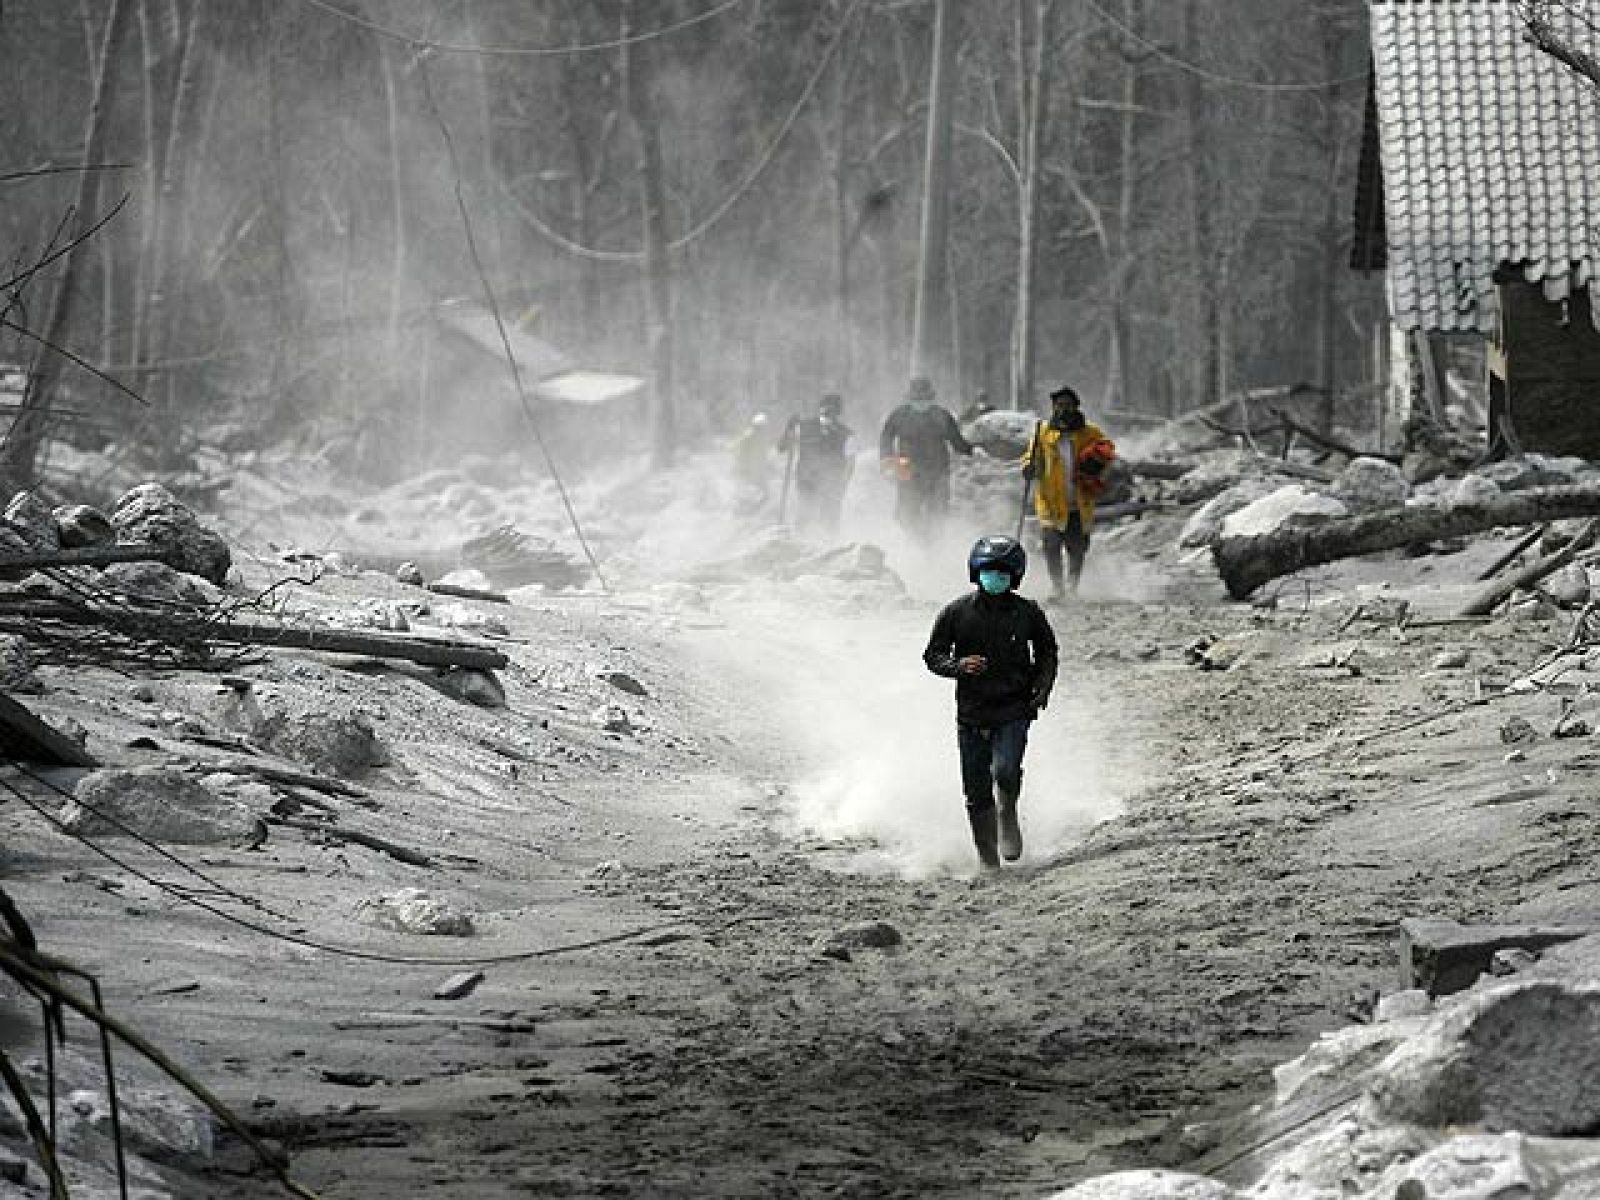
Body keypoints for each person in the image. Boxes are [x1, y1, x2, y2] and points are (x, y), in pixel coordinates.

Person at [922, 535, 1058, 868]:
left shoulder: (1028, 612)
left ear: (1015, 576)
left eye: (1003, 572)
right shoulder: (956, 612)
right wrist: (959, 666)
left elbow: (1047, 652)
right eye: (989, 570)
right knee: (975, 787)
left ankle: (1007, 811)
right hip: (972, 712)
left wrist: (1043, 684)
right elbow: (933, 655)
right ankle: (986, 856)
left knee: (1006, 769)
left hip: (1014, 706)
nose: (995, 577)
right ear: (975, 572)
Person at [1021, 385, 1116, 600]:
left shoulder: (1089, 433)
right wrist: (1028, 467)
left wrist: (1097, 467)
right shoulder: (1043, 432)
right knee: (1051, 545)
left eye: (1068, 406)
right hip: (1050, 502)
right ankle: (1057, 587)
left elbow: (1107, 451)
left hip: (1079, 501)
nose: (1063, 410)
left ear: (1076, 408)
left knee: (1077, 548)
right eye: (1059, 406)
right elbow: (1031, 456)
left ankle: (1073, 588)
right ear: (1053, 408)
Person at [879, 376, 973, 538]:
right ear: (910, 398)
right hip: (906, 467)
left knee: (937, 510)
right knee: (906, 510)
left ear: (931, 397)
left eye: (925, 399)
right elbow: (886, 437)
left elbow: (956, 439)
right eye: (917, 399)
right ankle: (913, 539)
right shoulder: (899, 415)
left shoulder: (942, 415)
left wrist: (969, 450)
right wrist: (887, 460)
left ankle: (933, 543)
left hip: (937, 469)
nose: (921, 403)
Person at [777, 393, 855, 533]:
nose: (828, 413)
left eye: (832, 410)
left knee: (828, 519)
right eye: (826, 409)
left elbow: (850, 463)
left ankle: (826, 544)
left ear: (838, 412)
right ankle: (802, 541)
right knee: (806, 514)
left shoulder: (846, 434)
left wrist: (842, 485)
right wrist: (788, 429)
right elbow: (782, 447)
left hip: (831, 483)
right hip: (808, 480)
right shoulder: (804, 427)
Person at [730, 412, 773, 513]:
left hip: (754, 471)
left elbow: (762, 456)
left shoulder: (755, 437)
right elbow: (739, 453)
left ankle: (749, 511)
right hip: (749, 471)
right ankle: (747, 512)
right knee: (754, 494)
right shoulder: (750, 437)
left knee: (759, 494)